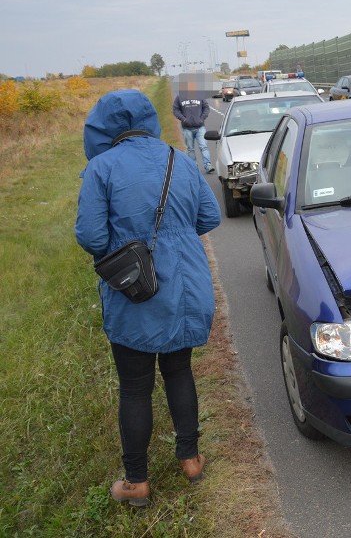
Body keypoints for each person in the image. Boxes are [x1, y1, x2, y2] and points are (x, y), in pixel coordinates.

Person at [75, 89, 222, 507]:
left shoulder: (101, 168)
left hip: (134, 288)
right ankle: (190, 458)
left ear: (103, 128)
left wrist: (125, 249)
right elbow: (209, 216)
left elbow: (91, 236)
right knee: (179, 372)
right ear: (149, 120)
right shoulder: (178, 159)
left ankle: (137, 482)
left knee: (135, 387)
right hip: (184, 287)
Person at [172, 89, 213, 173]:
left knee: (204, 147)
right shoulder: (179, 97)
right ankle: (194, 167)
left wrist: (202, 118)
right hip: (187, 128)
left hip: (200, 127)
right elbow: (175, 110)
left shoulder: (199, 96)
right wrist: (183, 119)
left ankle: (208, 165)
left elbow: (206, 108)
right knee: (190, 149)